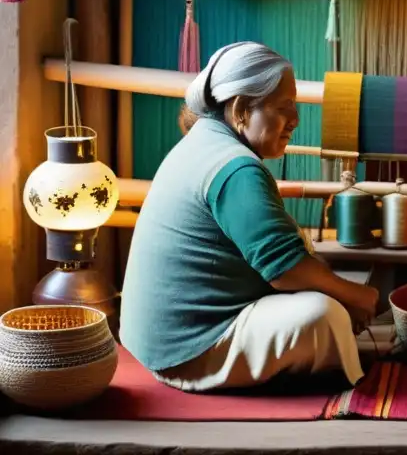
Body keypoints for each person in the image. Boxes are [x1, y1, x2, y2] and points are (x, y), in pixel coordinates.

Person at [119, 41, 379, 393]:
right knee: (323, 313)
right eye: (284, 108)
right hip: (189, 350)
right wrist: (356, 297)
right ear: (241, 109)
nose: (296, 120)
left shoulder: (204, 142)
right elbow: (285, 270)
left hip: (161, 342)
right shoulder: (236, 168)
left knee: (328, 289)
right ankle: (357, 390)